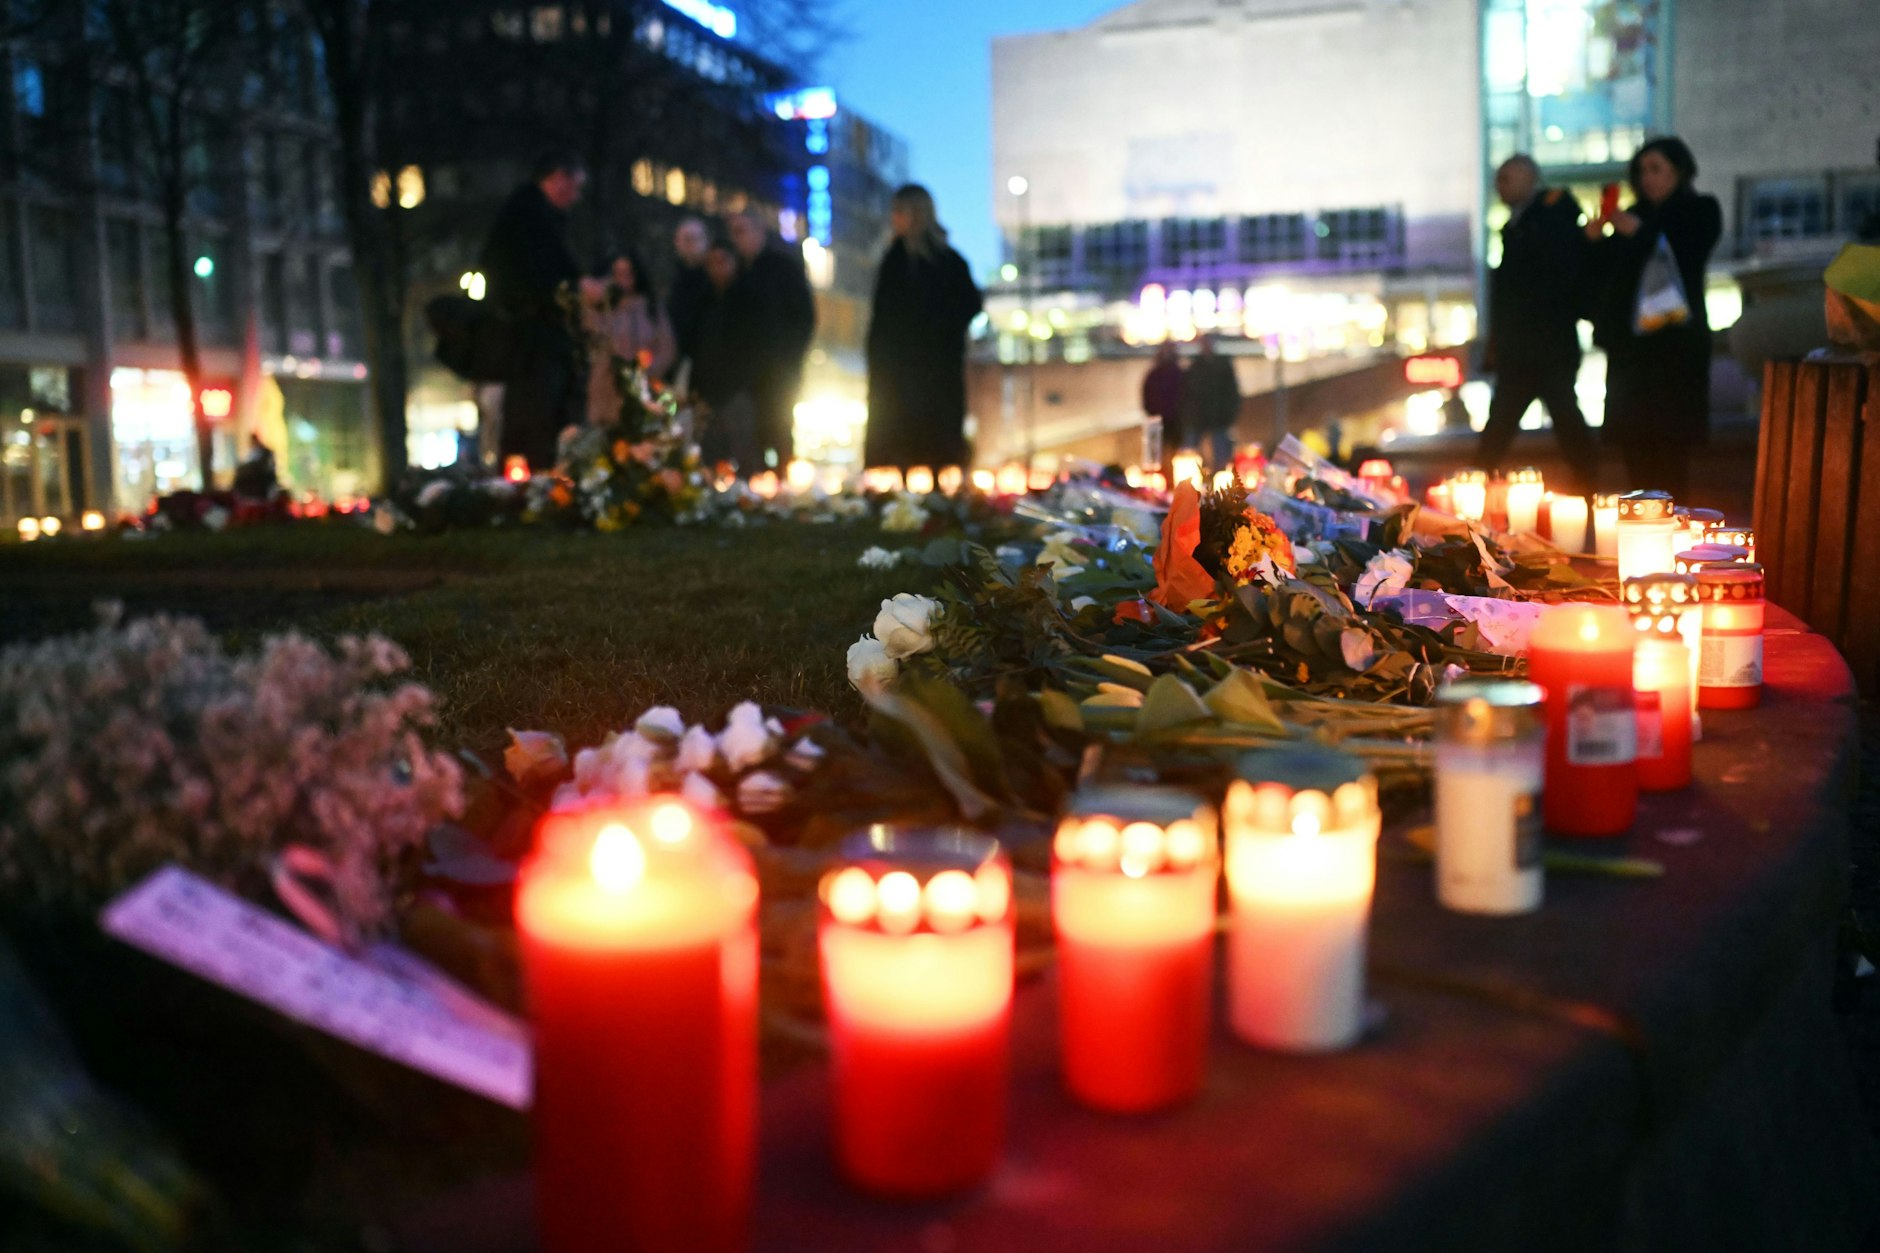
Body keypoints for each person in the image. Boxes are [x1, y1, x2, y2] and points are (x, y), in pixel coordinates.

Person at [1585, 136, 1722, 501]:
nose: (1648, 178)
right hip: (1633, 356)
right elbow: (1605, 282)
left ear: (1679, 171)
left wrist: (1640, 233)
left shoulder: (1700, 209)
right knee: (1637, 459)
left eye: (1656, 168)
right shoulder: (1633, 216)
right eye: (1642, 170)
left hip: (1675, 352)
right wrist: (1595, 241)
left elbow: (1687, 255)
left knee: (1672, 458)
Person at [1478, 155, 1598, 494]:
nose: (1499, 186)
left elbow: (1546, 282)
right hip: (1531, 348)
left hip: (1542, 346)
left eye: (1506, 178)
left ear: (1529, 179)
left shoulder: (1547, 219)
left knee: (1554, 420)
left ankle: (1587, 483)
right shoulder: (1527, 223)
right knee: (1515, 425)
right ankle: (1586, 483)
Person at [478, 151, 604, 469]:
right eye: (573, 187)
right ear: (558, 177)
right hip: (535, 340)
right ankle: (536, 476)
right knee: (537, 412)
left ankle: (531, 473)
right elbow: (544, 273)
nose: (574, 197)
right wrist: (577, 287)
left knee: (536, 411)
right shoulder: (530, 218)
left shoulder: (529, 215)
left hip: (533, 338)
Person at [862, 184, 984, 470]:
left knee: (932, 438)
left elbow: (969, 304)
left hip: (934, 369)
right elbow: (882, 317)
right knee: (903, 436)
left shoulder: (946, 262)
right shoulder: (895, 260)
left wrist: (939, 332)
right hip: (899, 370)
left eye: (899, 211)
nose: (894, 218)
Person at [727, 211, 816, 468]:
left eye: (742, 231)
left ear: (759, 232)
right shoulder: (736, 272)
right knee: (748, 439)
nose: (737, 239)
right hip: (746, 376)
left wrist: (789, 358)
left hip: (778, 371)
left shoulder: (782, 268)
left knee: (778, 431)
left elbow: (803, 317)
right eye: (734, 232)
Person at [691, 238, 759, 472]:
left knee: (741, 454)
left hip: (738, 391)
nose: (717, 268)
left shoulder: (747, 299)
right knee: (708, 455)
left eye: (722, 261)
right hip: (707, 393)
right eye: (712, 263)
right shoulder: (704, 300)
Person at [584, 250, 675, 425]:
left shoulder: (651, 307)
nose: (623, 279)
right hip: (608, 392)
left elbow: (667, 347)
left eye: (628, 273)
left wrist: (646, 372)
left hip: (646, 387)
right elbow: (593, 337)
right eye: (618, 274)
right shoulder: (604, 308)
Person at [1181, 333, 1240, 468]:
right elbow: (1188, 393)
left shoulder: (1222, 366)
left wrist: (1228, 415)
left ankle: (1220, 479)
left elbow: (1231, 393)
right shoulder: (1195, 366)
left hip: (1218, 418)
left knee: (1221, 457)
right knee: (1189, 455)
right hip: (1198, 417)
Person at [667, 217, 713, 387]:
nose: (691, 244)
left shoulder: (715, 280)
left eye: (696, 239)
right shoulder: (673, 280)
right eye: (686, 239)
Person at [1140, 342, 1184, 473]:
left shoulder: (1177, 373)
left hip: (1174, 421)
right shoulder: (1155, 374)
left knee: (1173, 454)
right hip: (1159, 420)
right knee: (1157, 458)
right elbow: (1147, 395)